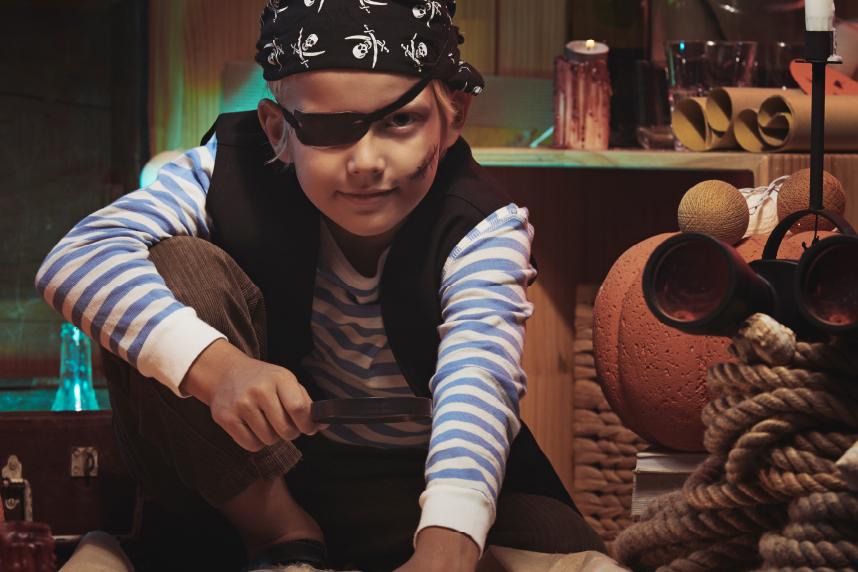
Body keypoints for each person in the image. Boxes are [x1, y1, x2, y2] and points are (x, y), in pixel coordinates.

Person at [36, 1, 605, 570]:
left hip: (411, 477)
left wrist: (447, 544)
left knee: (560, 543)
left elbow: (477, 380)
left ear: (453, 116)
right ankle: (278, 533)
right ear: (278, 130)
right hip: (258, 469)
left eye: (399, 121)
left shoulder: (484, 227)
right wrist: (221, 370)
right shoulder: (229, 172)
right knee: (176, 265)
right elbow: (77, 256)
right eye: (329, 129)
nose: (365, 162)